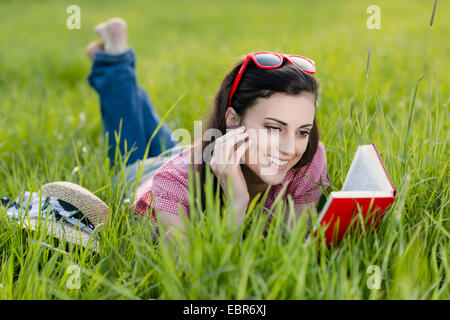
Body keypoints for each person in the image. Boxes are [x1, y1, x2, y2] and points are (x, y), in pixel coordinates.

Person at [86, 18, 330, 245]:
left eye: (302, 131)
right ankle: (115, 58)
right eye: (274, 128)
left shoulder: (307, 160)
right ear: (233, 120)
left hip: (193, 155)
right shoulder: (173, 185)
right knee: (128, 137)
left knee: (167, 143)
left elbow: (289, 247)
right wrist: (237, 203)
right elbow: (191, 276)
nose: (289, 149)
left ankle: (113, 61)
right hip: (143, 177)